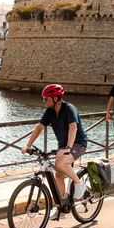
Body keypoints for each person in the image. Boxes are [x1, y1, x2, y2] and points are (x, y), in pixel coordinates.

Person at [22, 84, 88, 219]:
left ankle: (78, 183)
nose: (44, 101)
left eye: (46, 99)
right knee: (58, 175)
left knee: (61, 164)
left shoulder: (69, 108)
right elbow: (39, 128)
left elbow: (73, 127)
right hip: (63, 146)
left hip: (77, 143)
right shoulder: (50, 112)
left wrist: (68, 148)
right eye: (43, 98)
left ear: (56, 98)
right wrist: (27, 145)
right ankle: (62, 208)